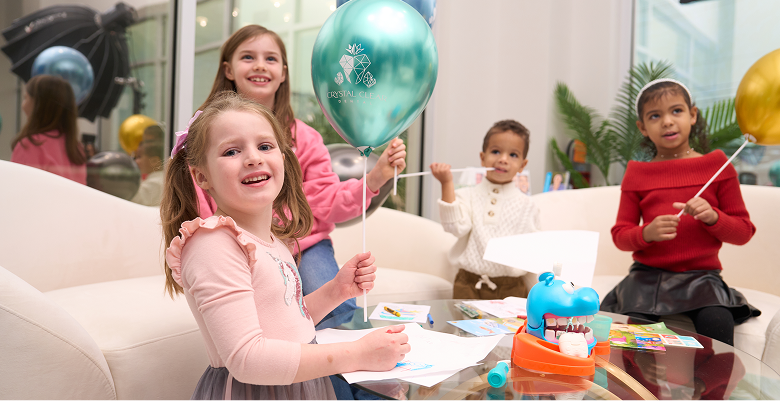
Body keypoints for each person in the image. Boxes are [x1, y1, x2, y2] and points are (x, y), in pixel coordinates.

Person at [161, 92, 409, 400]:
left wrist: (337, 290)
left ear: (283, 158)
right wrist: (357, 354)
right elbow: (247, 359)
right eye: (231, 151)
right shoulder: (214, 244)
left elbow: (289, 322)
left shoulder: (274, 241)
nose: (253, 157)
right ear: (202, 176)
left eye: (265, 146)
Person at [196, 24, 406, 322]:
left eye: (270, 58)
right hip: (239, 246)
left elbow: (325, 200)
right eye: (248, 57)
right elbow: (198, 203)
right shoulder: (204, 137)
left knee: (339, 315)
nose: (259, 65)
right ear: (228, 69)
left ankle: (339, 365)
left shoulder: (305, 138)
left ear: (283, 72)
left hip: (304, 247)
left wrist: (376, 178)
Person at [600, 79, 760, 346]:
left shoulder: (718, 165)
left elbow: (744, 232)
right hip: (646, 278)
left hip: (702, 278)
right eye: (655, 115)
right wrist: (646, 233)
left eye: (676, 111)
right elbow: (620, 235)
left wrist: (713, 217)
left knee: (717, 323)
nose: (667, 121)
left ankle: (713, 389)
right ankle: (639, 389)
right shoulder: (637, 173)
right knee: (634, 339)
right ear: (643, 127)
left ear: (693, 115)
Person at [431, 120, 541, 299]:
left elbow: (532, 254)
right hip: (468, 285)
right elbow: (456, 227)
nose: (503, 159)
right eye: (496, 151)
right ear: (483, 158)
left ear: (522, 164)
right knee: (461, 327)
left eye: (513, 155)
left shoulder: (529, 206)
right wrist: (446, 183)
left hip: (512, 290)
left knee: (510, 329)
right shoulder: (466, 195)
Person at [11, 74, 86, 184]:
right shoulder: (76, 149)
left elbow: (17, 189)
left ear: (37, 104)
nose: (23, 105)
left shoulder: (31, 144)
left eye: (26, 98)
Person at [131, 125, 165, 206]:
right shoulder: (157, 179)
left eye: (139, 157)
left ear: (154, 161)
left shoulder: (156, 183)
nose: (136, 161)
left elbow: (134, 198)